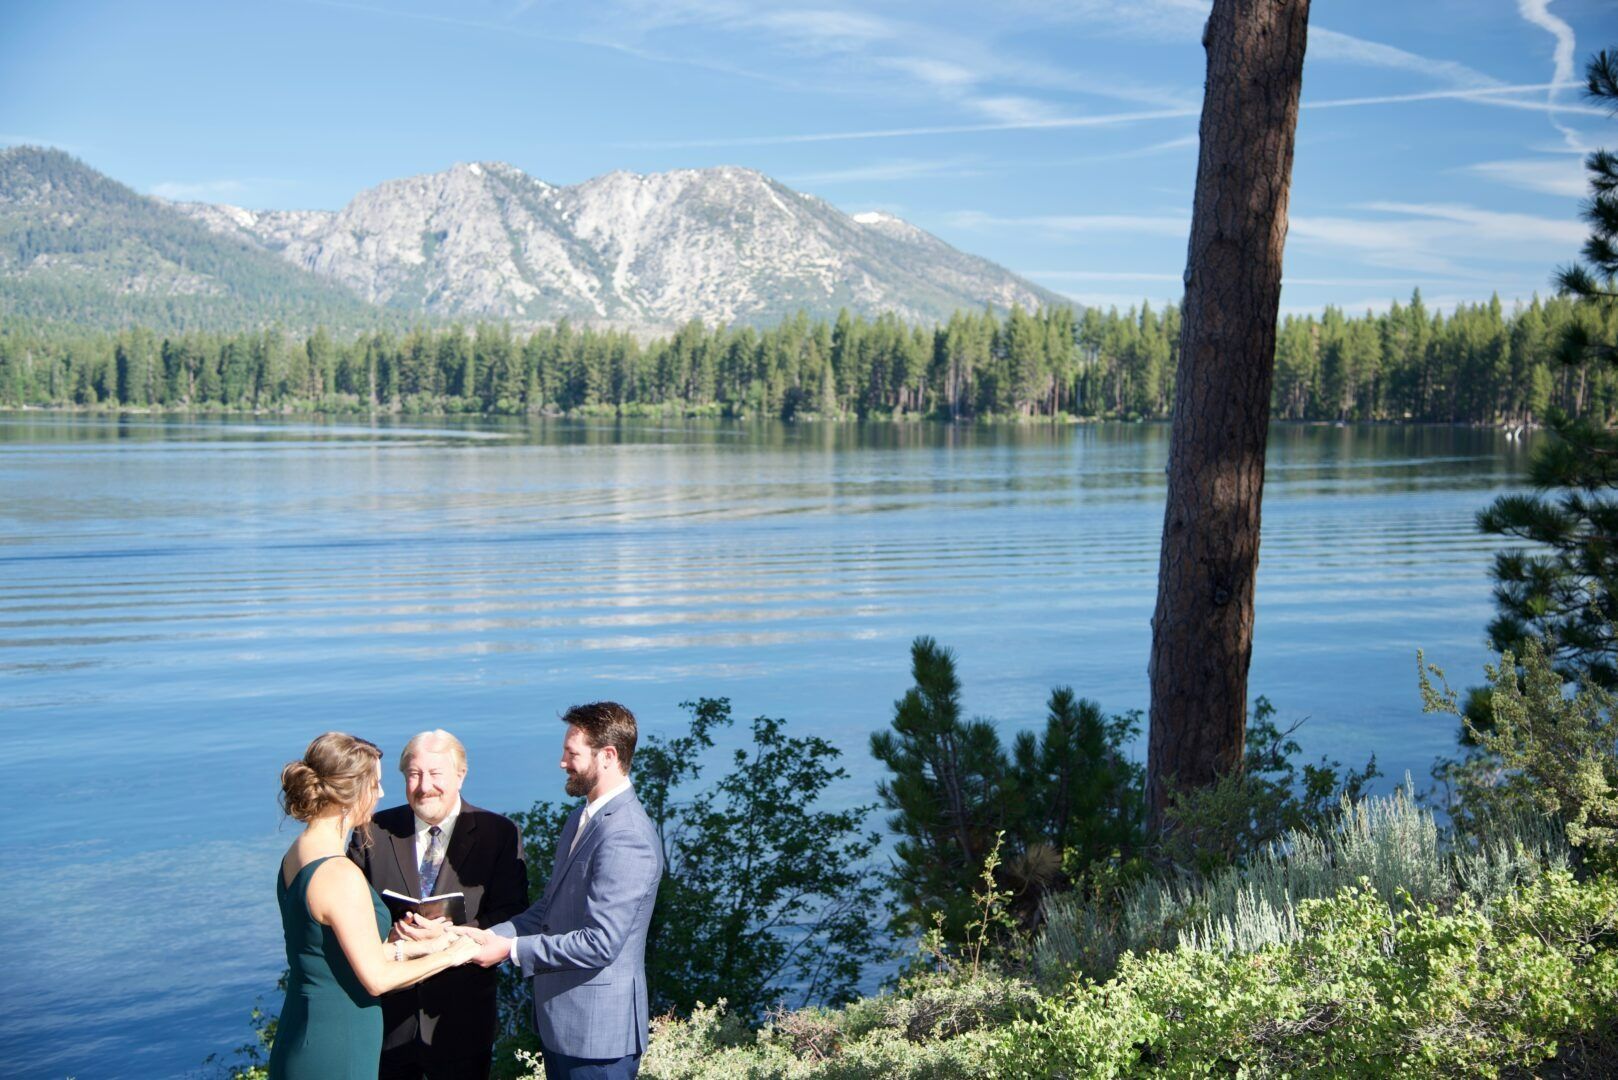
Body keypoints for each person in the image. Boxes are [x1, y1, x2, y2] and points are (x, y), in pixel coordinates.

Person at [461, 702, 663, 1080]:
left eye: (572, 753)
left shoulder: (626, 836)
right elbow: (550, 911)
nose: (562, 762)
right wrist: (484, 937)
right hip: (564, 1027)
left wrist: (510, 950)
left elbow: (600, 943)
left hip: (599, 1040)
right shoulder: (581, 819)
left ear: (608, 756)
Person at [271, 732, 480, 1080]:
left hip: (301, 1028)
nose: (381, 794)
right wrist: (452, 954)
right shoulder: (339, 874)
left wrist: (422, 946)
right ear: (349, 794)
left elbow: (333, 954)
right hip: (339, 1037)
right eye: (376, 785)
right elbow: (377, 979)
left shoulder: (296, 855)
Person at [348, 729, 529, 1080]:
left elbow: (515, 912)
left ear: (460, 775)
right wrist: (394, 937)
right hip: (387, 1021)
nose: (424, 786)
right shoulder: (372, 831)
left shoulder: (499, 833)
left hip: (461, 1020)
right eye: (414, 774)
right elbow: (349, 914)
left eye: (435, 774)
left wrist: (453, 934)